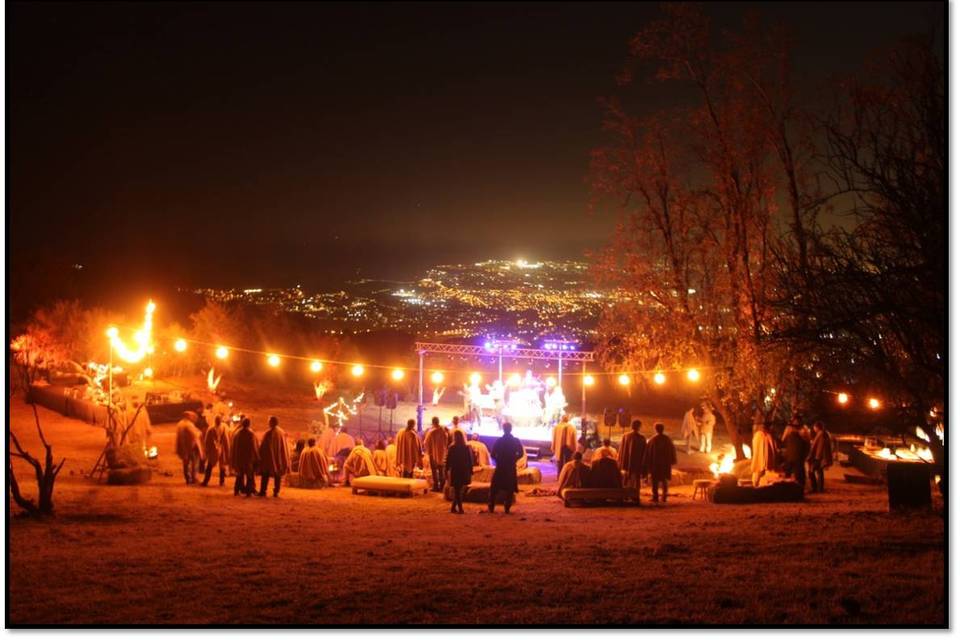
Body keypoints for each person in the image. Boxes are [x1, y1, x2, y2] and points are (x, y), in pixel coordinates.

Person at [488, 422, 524, 514]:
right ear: (511, 429)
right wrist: (514, 459)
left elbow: (492, 454)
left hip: (500, 467)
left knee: (494, 487)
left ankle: (491, 506)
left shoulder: (499, 441)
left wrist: (498, 460)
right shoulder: (515, 441)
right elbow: (521, 453)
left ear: (503, 429)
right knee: (510, 488)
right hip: (510, 467)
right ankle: (507, 507)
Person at [643, 422, 677, 503]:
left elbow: (648, 452)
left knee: (655, 481)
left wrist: (646, 463)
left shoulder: (652, 440)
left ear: (656, 429)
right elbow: (672, 451)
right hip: (665, 464)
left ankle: (655, 497)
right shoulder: (667, 439)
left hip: (655, 464)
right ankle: (664, 497)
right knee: (664, 480)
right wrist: (672, 461)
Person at [257, 416, 291, 497]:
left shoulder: (269, 433)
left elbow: (263, 446)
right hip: (278, 458)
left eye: (269, 422)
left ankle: (263, 491)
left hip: (269, 458)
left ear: (271, 422)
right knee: (277, 475)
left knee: (265, 474)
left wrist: (260, 456)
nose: (268, 423)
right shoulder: (281, 432)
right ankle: (276, 491)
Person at [445, 430, 474, 514]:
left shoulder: (452, 447)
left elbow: (448, 460)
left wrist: (446, 470)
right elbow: (470, 460)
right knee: (459, 489)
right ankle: (458, 508)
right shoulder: (466, 447)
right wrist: (470, 470)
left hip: (455, 470)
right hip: (463, 470)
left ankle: (455, 508)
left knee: (457, 489)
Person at [230, 418, 259, 496]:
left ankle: (236, 490)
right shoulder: (251, 434)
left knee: (239, 475)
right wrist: (257, 457)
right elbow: (254, 447)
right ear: (249, 424)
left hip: (239, 458)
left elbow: (234, 447)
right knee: (249, 476)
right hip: (248, 459)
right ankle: (249, 492)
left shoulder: (237, 433)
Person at [175, 411, 203, 485]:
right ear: (188, 416)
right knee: (194, 463)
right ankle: (193, 478)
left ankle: (187, 478)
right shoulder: (188, 424)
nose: (194, 418)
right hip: (191, 447)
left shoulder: (180, 424)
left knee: (185, 464)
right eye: (192, 417)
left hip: (183, 447)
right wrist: (200, 432)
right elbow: (196, 434)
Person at [424, 416, 452, 492]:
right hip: (442, 454)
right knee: (441, 470)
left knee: (434, 471)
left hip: (433, 454)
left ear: (433, 422)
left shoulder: (431, 432)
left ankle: (436, 486)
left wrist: (429, 451)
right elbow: (447, 441)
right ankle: (442, 486)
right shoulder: (444, 431)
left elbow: (426, 443)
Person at [618, 420, 647, 490]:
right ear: (639, 427)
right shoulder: (642, 438)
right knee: (636, 480)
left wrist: (620, 462)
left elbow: (621, 450)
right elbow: (644, 452)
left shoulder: (625, 436)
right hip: (637, 463)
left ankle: (624, 495)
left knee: (626, 479)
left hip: (627, 463)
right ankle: (635, 496)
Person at [782, 420, 810, 489]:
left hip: (790, 459)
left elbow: (784, 445)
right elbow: (807, 449)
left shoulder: (789, 437)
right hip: (798, 460)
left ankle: (786, 488)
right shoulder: (803, 439)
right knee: (799, 476)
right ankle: (799, 489)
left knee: (788, 474)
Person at [750, 416, 778, 487]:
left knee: (766, 475)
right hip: (759, 459)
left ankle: (762, 487)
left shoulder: (768, 435)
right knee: (758, 473)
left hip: (768, 459)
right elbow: (757, 448)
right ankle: (755, 486)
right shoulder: (759, 435)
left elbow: (773, 447)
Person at [807, 421, 833, 493]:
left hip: (818, 457)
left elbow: (819, 447)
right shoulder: (825, 434)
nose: (814, 429)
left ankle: (814, 488)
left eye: (814, 428)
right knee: (820, 472)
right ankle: (820, 488)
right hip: (822, 457)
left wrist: (813, 456)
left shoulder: (821, 435)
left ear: (817, 427)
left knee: (811, 471)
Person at [200, 415, 223, 487]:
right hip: (214, 450)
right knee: (211, 466)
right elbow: (207, 441)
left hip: (218, 449)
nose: (219, 421)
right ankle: (206, 481)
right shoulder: (212, 429)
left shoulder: (221, 428)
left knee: (220, 466)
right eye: (218, 420)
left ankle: (221, 481)